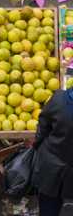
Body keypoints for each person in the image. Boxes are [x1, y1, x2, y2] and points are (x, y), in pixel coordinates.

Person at [32, 87, 73, 216]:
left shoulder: (59, 99)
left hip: (52, 164)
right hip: (56, 164)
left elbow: (43, 125)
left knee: (49, 207)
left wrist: (38, 146)